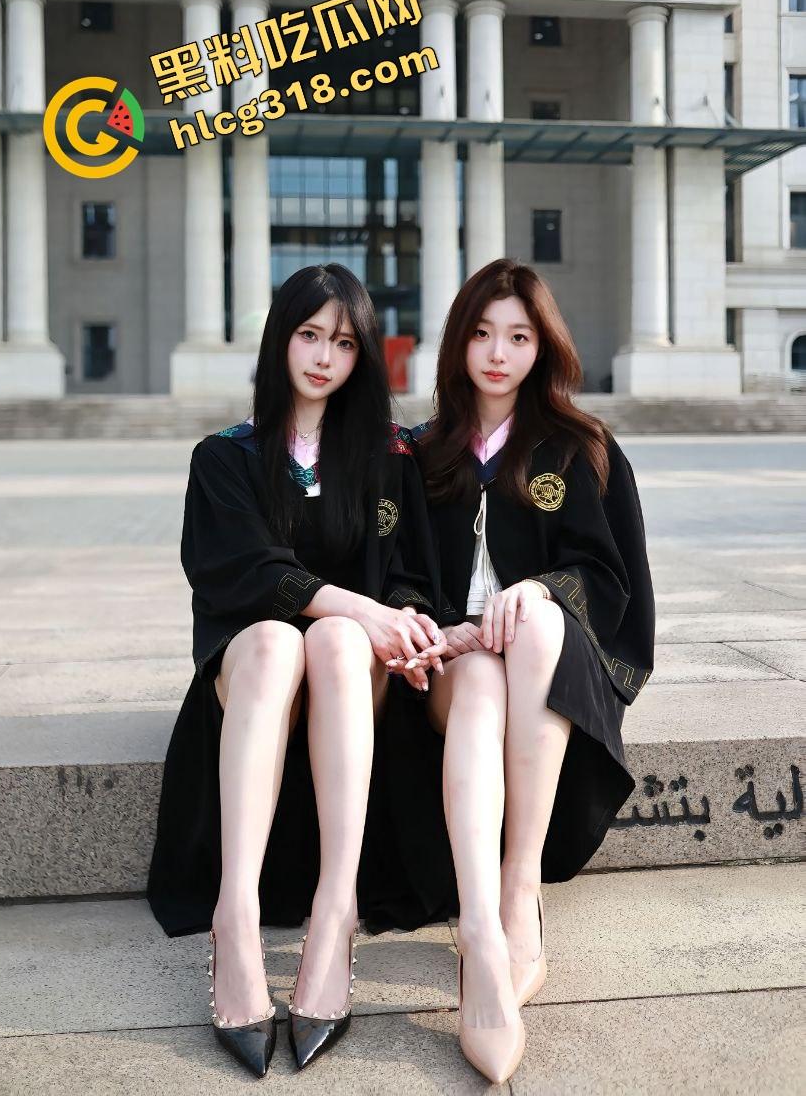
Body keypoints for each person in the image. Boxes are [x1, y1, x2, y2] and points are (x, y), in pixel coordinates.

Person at [147, 264, 445, 1077]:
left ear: (362, 356)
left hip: (352, 681)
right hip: (253, 679)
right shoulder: (225, 456)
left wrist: (399, 620)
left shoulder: (388, 459)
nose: (322, 357)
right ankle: (234, 917)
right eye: (308, 335)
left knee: (340, 641)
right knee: (283, 640)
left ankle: (333, 911)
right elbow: (239, 572)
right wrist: (354, 604)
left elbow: (409, 575)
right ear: (280, 339)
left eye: (343, 344)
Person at [396, 258, 655, 1084]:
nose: (498, 353)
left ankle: (518, 892)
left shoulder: (579, 448)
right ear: (457, 344)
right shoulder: (418, 453)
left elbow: (611, 576)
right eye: (481, 334)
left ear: (542, 347)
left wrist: (536, 591)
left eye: (517, 336)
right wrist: (439, 626)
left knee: (535, 620)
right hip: (453, 671)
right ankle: (482, 932)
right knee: (477, 674)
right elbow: (394, 572)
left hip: (550, 665)